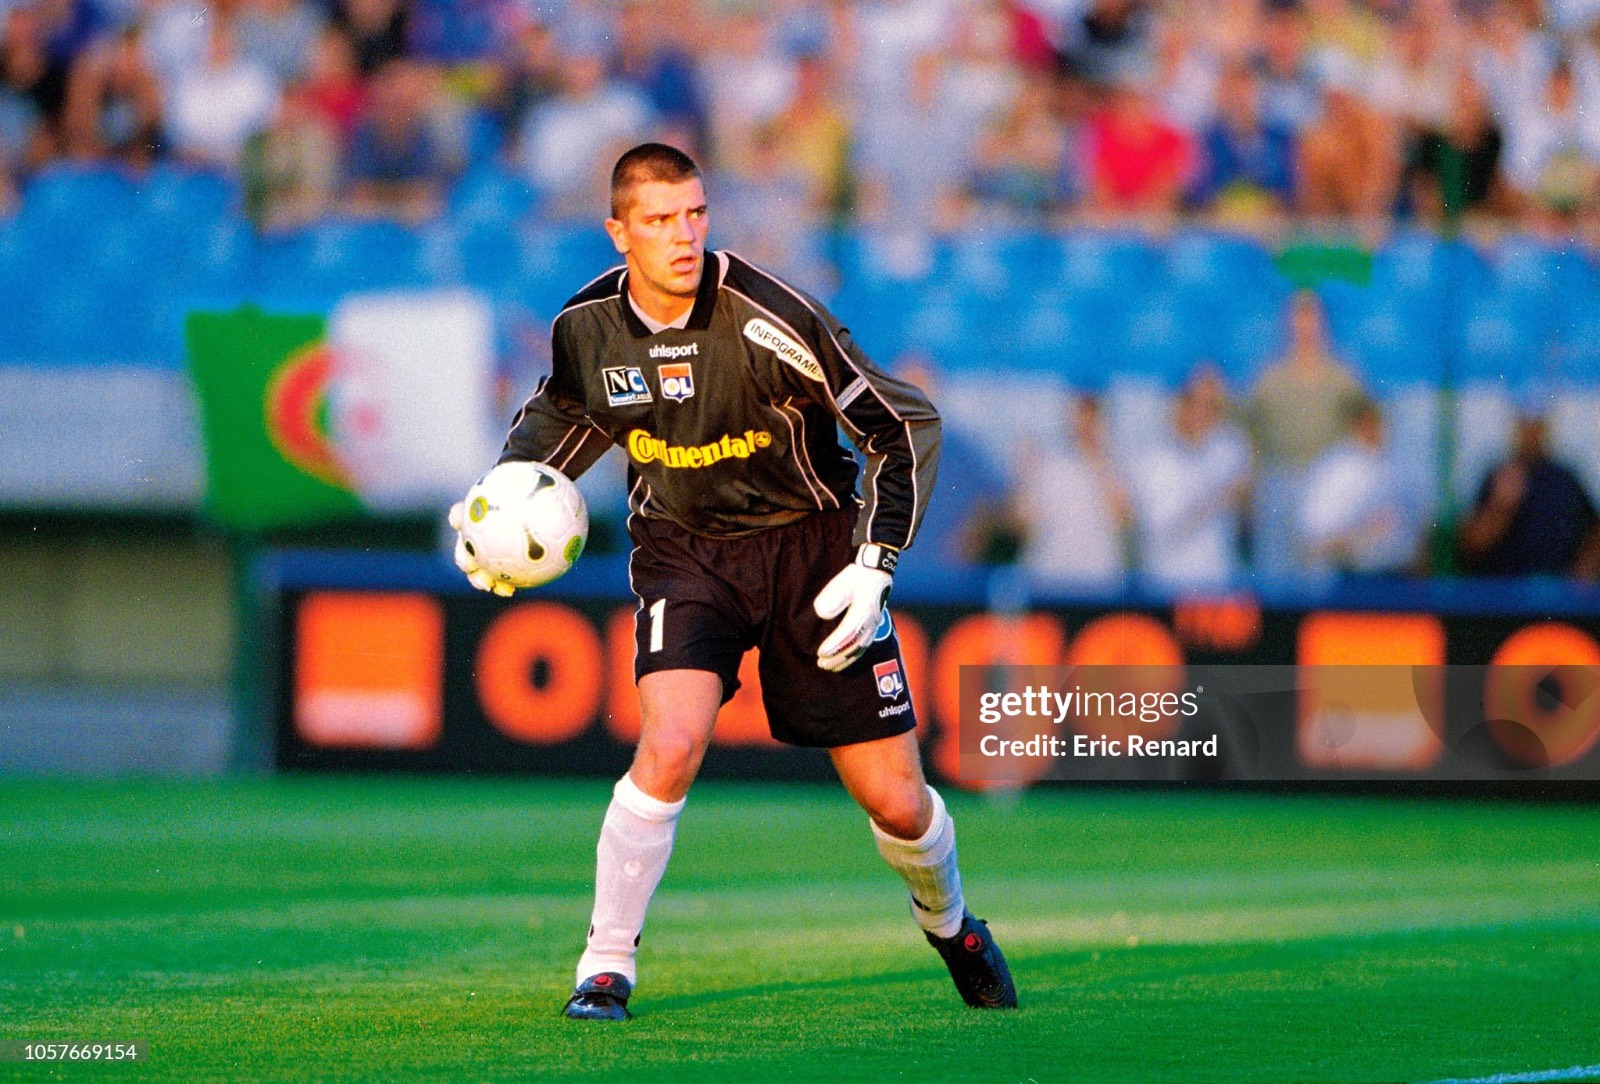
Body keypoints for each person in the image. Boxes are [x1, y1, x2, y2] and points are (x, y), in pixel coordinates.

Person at [448, 143, 1017, 1021]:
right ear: (619, 232)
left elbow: (903, 424)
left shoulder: (769, 316)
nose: (683, 236)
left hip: (813, 553)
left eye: (695, 215)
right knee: (670, 742)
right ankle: (605, 965)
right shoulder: (585, 327)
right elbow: (566, 415)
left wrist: (875, 564)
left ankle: (952, 925)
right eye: (660, 220)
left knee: (898, 803)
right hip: (686, 549)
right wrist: (500, 506)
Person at [1457, 401, 1600, 580]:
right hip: (1505, 594)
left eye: (1536, 421)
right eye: (1526, 421)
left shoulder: (1564, 477)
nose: (1531, 429)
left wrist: (1585, 570)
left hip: (1557, 597)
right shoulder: (1498, 474)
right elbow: (1469, 546)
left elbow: (1595, 529)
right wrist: (1500, 508)